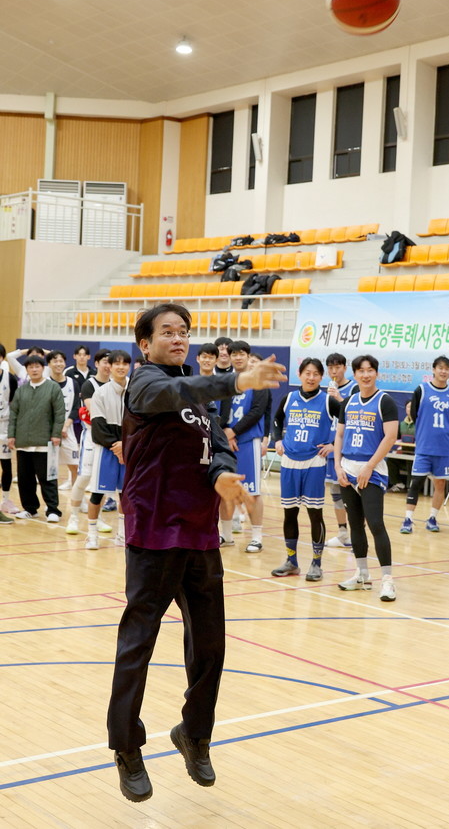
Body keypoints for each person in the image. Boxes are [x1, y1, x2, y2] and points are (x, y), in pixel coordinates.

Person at [106, 302, 285, 803]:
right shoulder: (145, 384)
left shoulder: (201, 403)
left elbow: (219, 446)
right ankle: (126, 747)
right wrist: (237, 381)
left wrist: (224, 476)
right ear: (145, 343)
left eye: (184, 331)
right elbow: (177, 390)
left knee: (210, 647)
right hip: (155, 533)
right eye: (167, 332)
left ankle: (194, 734)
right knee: (137, 644)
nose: (178, 338)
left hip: (201, 535)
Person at [334, 355, 399, 602]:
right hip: (348, 468)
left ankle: (388, 580)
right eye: (361, 371)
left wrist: (369, 466)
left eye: (370, 370)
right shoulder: (348, 402)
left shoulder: (386, 401)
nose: (365, 375)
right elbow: (339, 436)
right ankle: (362, 574)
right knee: (355, 523)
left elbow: (390, 437)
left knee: (376, 524)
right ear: (355, 374)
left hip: (372, 470)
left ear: (376, 373)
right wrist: (338, 465)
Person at [271, 357, 339, 580]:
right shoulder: (289, 397)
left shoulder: (328, 401)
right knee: (290, 513)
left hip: (314, 462)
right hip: (290, 460)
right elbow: (276, 420)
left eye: (316, 374)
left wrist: (333, 444)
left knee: (314, 513)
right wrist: (277, 440)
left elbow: (347, 419)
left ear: (321, 377)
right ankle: (291, 561)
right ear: (299, 374)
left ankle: (316, 564)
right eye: (307, 373)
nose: (311, 377)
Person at [402, 356, 449, 534]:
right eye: (440, 368)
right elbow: (414, 414)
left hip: (443, 448)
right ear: (433, 370)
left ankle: (433, 518)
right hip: (424, 447)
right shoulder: (421, 390)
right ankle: (408, 519)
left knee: (440, 485)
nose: (443, 371)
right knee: (416, 483)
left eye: (446, 368)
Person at [222, 340, 270, 552]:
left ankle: (257, 537)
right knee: (224, 491)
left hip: (248, 442)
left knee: (253, 491)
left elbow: (257, 411)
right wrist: (225, 432)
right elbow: (219, 411)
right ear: (229, 357)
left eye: (242, 354)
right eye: (234, 354)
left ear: (248, 356)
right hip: (226, 442)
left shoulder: (258, 382)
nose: (238, 357)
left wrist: (234, 431)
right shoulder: (225, 381)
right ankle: (225, 535)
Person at [7, 355, 65, 521]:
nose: (34, 369)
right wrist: (12, 435)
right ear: (26, 370)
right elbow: (14, 414)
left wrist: (55, 434)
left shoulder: (53, 388)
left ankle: (53, 510)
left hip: (45, 443)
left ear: (43, 368)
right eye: (30, 367)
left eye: (37, 366)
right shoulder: (21, 390)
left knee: (48, 478)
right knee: (25, 480)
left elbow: (60, 413)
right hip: (23, 443)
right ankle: (30, 509)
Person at [85, 350, 131, 550]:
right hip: (106, 450)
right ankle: (91, 534)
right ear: (109, 367)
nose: (121, 367)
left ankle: (122, 534)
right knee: (97, 494)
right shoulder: (100, 393)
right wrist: (117, 447)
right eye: (116, 364)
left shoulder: (135, 391)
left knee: (125, 494)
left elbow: (141, 424)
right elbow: (98, 428)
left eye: (125, 363)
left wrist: (126, 445)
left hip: (129, 449)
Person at [66, 349, 113, 535]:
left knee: (100, 481)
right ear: (97, 363)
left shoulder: (119, 385)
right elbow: (95, 415)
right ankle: (74, 517)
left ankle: (97, 516)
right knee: (84, 477)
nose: (108, 365)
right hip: (93, 437)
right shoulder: (89, 384)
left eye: (111, 362)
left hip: (110, 438)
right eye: (105, 362)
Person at [323, 353, 356, 548]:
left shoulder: (354, 388)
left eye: (338, 367)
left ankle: (356, 533)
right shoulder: (327, 388)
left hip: (348, 447)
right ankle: (342, 532)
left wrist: (340, 398)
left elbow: (355, 415)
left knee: (350, 493)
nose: (334, 371)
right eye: (331, 368)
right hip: (331, 446)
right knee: (335, 491)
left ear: (345, 367)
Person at [47, 350, 81, 491]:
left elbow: (75, 408)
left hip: (68, 431)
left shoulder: (73, 383)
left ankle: (78, 500)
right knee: (50, 469)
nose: (58, 364)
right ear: (49, 364)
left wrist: (65, 427)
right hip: (49, 433)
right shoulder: (45, 383)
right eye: (55, 361)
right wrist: (56, 429)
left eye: (61, 361)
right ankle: (51, 504)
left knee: (76, 466)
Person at [0, 343, 19, 521]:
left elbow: (15, 406)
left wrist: (13, 431)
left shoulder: (10, 379)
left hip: (4, 427)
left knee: (6, 466)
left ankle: (5, 500)